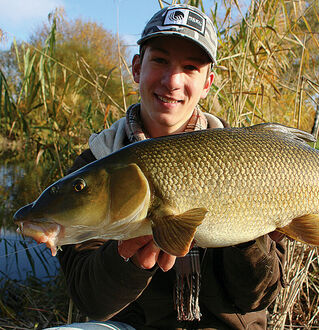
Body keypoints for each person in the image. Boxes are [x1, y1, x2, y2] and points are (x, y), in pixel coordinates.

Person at [48, 4, 286, 330]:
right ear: (136, 68)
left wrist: (248, 236)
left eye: (190, 67)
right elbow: (90, 300)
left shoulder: (251, 160)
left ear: (207, 83)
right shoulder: (96, 166)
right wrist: (126, 261)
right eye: (160, 60)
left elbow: (258, 299)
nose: (173, 80)